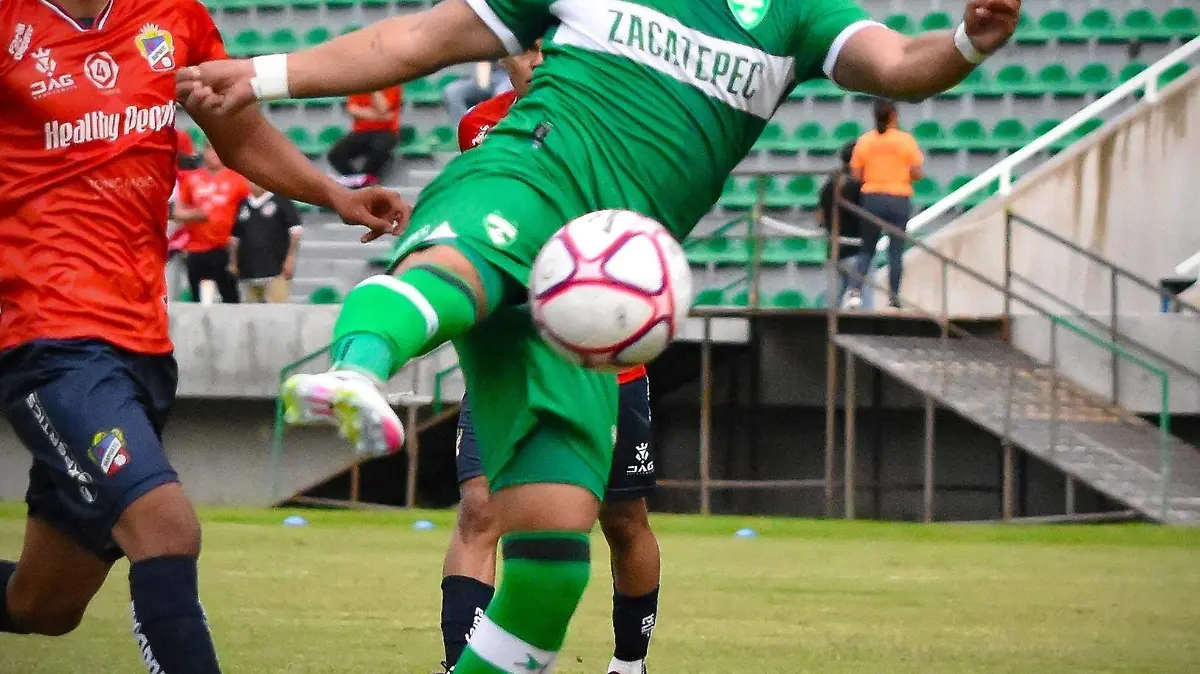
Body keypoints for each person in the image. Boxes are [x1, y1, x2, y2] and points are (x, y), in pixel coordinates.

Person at [180, 1, 1019, 671]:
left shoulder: (799, 15)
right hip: (525, 171)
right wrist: (260, 74)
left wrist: (968, 40)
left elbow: (905, 66)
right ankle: (356, 370)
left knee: (552, 561)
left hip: (587, 302)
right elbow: (418, 39)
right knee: (456, 275)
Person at [0, 0, 406, 671]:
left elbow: (237, 134)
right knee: (166, 528)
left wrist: (332, 193)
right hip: (49, 337)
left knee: (45, 603)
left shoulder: (174, 16)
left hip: (142, 341)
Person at [437, 44, 661, 674]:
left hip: (602, 356)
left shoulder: (624, 121)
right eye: (526, 46)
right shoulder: (480, 126)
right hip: (512, 356)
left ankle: (628, 664)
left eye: (551, 46)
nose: (537, 58)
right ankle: (463, 663)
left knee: (621, 519)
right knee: (482, 510)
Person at [846, 99, 925, 310]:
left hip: (872, 196)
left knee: (867, 249)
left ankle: (855, 292)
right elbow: (917, 171)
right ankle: (893, 297)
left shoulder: (865, 141)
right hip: (898, 197)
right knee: (896, 250)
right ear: (893, 116)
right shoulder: (905, 140)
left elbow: (856, 173)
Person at [175, 141, 252, 304]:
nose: (214, 154)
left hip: (224, 249)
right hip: (196, 248)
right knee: (200, 300)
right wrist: (194, 215)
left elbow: (250, 210)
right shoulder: (191, 179)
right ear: (204, 151)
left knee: (230, 298)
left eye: (218, 149)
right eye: (210, 149)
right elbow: (177, 212)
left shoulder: (237, 180)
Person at [229, 182, 304, 303]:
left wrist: (290, 259)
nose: (255, 184)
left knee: (277, 311)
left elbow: (295, 232)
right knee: (252, 314)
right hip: (248, 271)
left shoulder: (282, 201)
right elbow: (235, 237)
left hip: (276, 270)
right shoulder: (243, 204)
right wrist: (233, 262)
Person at [817, 141, 864, 307]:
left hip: (834, 249)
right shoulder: (860, 186)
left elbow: (820, 218)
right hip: (857, 251)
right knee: (862, 302)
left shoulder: (829, 185)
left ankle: (823, 330)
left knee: (831, 302)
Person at [329, 85, 404, 187]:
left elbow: (383, 108)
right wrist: (379, 117)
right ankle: (359, 180)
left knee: (379, 147)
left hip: (387, 131)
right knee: (335, 154)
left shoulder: (392, 84)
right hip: (361, 131)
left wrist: (373, 90)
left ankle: (365, 180)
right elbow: (353, 110)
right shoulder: (359, 85)